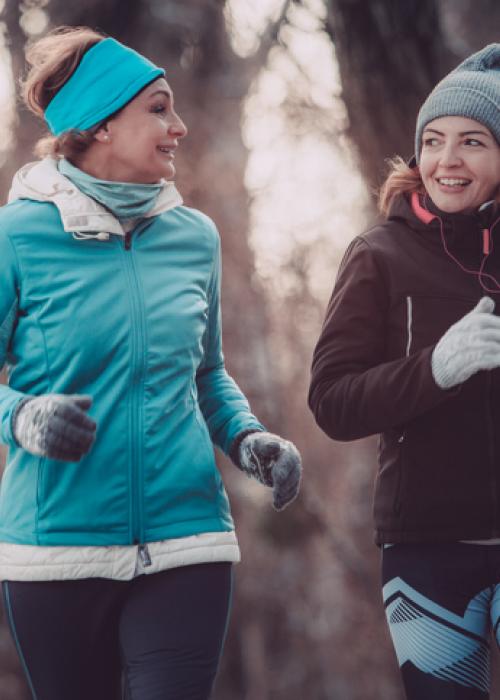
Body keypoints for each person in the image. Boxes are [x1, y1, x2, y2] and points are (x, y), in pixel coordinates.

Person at [0, 26, 302, 700]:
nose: (181, 126)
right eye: (159, 108)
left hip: (188, 537)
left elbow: (206, 374)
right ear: (100, 124)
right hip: (56, 550)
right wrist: (21, 415)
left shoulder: (194, 238)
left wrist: (249, 437)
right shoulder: (16, 235)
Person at [309, 44, 500, 699]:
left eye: (473, 141)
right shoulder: (378, 255)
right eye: (433, 141)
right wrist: (436, 369)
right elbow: (332, 403)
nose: (448, 160)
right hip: (427, 549)